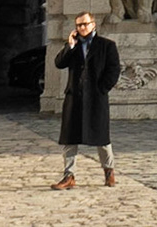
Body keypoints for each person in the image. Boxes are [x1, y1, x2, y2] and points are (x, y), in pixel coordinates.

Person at [51, 10, 121, 189]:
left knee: (102, 138)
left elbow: (114, 70)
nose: (82, 27)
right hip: (75, 97)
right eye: (79, 25)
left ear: (93, 24)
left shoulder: (106, 45)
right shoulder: (73, 46)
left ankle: (109, 171)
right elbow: (59, 63)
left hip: (96, 98)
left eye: (85, 24)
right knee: (70, 138)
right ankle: (69, 175)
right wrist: (70, 46)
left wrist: (102, 88)